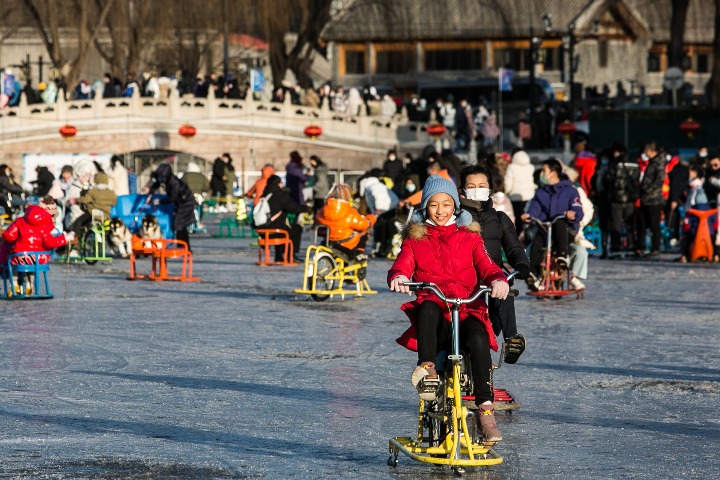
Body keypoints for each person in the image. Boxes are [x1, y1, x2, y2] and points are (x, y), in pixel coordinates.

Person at [388, 175, 510, 442]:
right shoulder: (415, 239)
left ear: (455, 205)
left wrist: (497, 279)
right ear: (425, 207)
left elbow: (487, 265)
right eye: (434, 205)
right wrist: (399, 276)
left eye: (446, 204)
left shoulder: (470, 237)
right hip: (436, 315)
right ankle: (427, 370)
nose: (440, 210)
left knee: (478, 338)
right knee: (428, 306)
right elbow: (403, 262)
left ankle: (485, 410)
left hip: (466, 308)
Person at [459, 164, 529, 364]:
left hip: (492, 279)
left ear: (490, 188)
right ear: (462, 190)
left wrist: (522, 263)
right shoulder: (456, 218)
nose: (477, 190)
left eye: (482, 185)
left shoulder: (499, 219)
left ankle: (511, 340)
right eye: (472, 186)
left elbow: (514, 247)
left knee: (503, 286)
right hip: (464, 278)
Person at [521, 158, 584, 285]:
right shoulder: (541, 192)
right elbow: (535, 208)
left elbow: (578, 209)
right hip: (547, 229)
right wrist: (529, 216)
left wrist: (573, 214)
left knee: (559, 221)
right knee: (537, 241)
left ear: (553, 173)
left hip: (566, 230)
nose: (541, 174)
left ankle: (563, 256)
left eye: (544, 171)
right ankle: (534, 274)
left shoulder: (571, 191)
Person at [0, 197, 73, 293]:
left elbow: (9, 236)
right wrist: (64, 238)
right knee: (32, 266)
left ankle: (14, 285)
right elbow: (51, 242)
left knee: (14, 263)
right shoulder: (45, 224)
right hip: (39, 258)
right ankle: (29, 285)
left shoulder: (20, 221)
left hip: (21, 256)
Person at [255, 174, 311, 261]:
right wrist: (306, 208)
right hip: (276, 231)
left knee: (280, 226)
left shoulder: (265, 194)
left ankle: (278, 257)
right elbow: (293, 208)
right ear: (278, 184)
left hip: (262, 231)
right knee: (296, 228)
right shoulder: (280, 194)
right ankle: (290, 255)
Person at [315, 183, 376, 259]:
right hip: (345, 243)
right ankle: (359, 253)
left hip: (328, 240)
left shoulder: (323, 210)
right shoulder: (350, 212)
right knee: (364, 232)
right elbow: (363, 225)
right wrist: (371, 218)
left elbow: (317, 219)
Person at [147, 164, 197, 251]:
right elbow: (156, 184)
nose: (161, 179)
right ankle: (181, 246)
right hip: (180, 202)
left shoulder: (174, 182)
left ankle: (185, 247)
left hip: (186, 202)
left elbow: (172, 198)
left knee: (180, 224)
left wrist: (159, 201)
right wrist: (151, 193)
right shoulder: (165, 179)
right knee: (180, 225)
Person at [604, 142, 639, 257]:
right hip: (630, 197)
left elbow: (608, 178)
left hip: (616, 197)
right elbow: (637, 179)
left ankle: (616, 246)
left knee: (616, 223)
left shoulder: (614, 163)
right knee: (630, 223)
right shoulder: (634, 162)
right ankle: (631, 245)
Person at [678, 164, 718, 262]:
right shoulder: (693, 189)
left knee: (686, 237)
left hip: (695, 221)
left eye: (691, 171)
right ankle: (714, 254)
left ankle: (685, 255)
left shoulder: (698, 191)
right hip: (699, 222)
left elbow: (701, 208)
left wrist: (689, 214)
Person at [636, 142, 665, 256]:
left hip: (654, 199)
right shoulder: (652, 162)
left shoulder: (658, 163)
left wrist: (647, 190)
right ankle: (641, 246)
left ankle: (655, 247)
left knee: (654, 224)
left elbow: (659, 180)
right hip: (645, 198)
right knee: (641, 223)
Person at [70, 172, 117, 236]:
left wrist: (75, 200)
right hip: (105, 215)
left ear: (96, 180)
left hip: (93, 214)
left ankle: (77, 238)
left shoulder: (93, 191)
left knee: (78, 222)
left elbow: (85, 200)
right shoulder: (111, 192)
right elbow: (114, 203)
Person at [504, 150, 536, 233]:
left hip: (515, 197)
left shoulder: (511, 167)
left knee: (517, 218)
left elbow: (508, 183)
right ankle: (527, 234)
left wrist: (506, 192)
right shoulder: (531, 167)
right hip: (529, 196)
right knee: (527, 217)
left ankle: (518, 234)